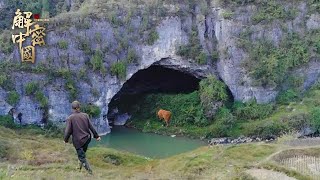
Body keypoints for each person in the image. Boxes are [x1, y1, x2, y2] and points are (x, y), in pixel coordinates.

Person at [64, 101, 101, 174]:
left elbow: (68, 131)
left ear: (72, 109)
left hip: (78, 141)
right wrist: (96, 136)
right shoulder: (85, 115)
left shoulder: (70, 118)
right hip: (87, 139)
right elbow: (91, 127)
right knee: (82, 153)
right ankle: (78, 168)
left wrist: (65, 140)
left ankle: (90, 173)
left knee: (82, 157)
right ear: (79, 107)